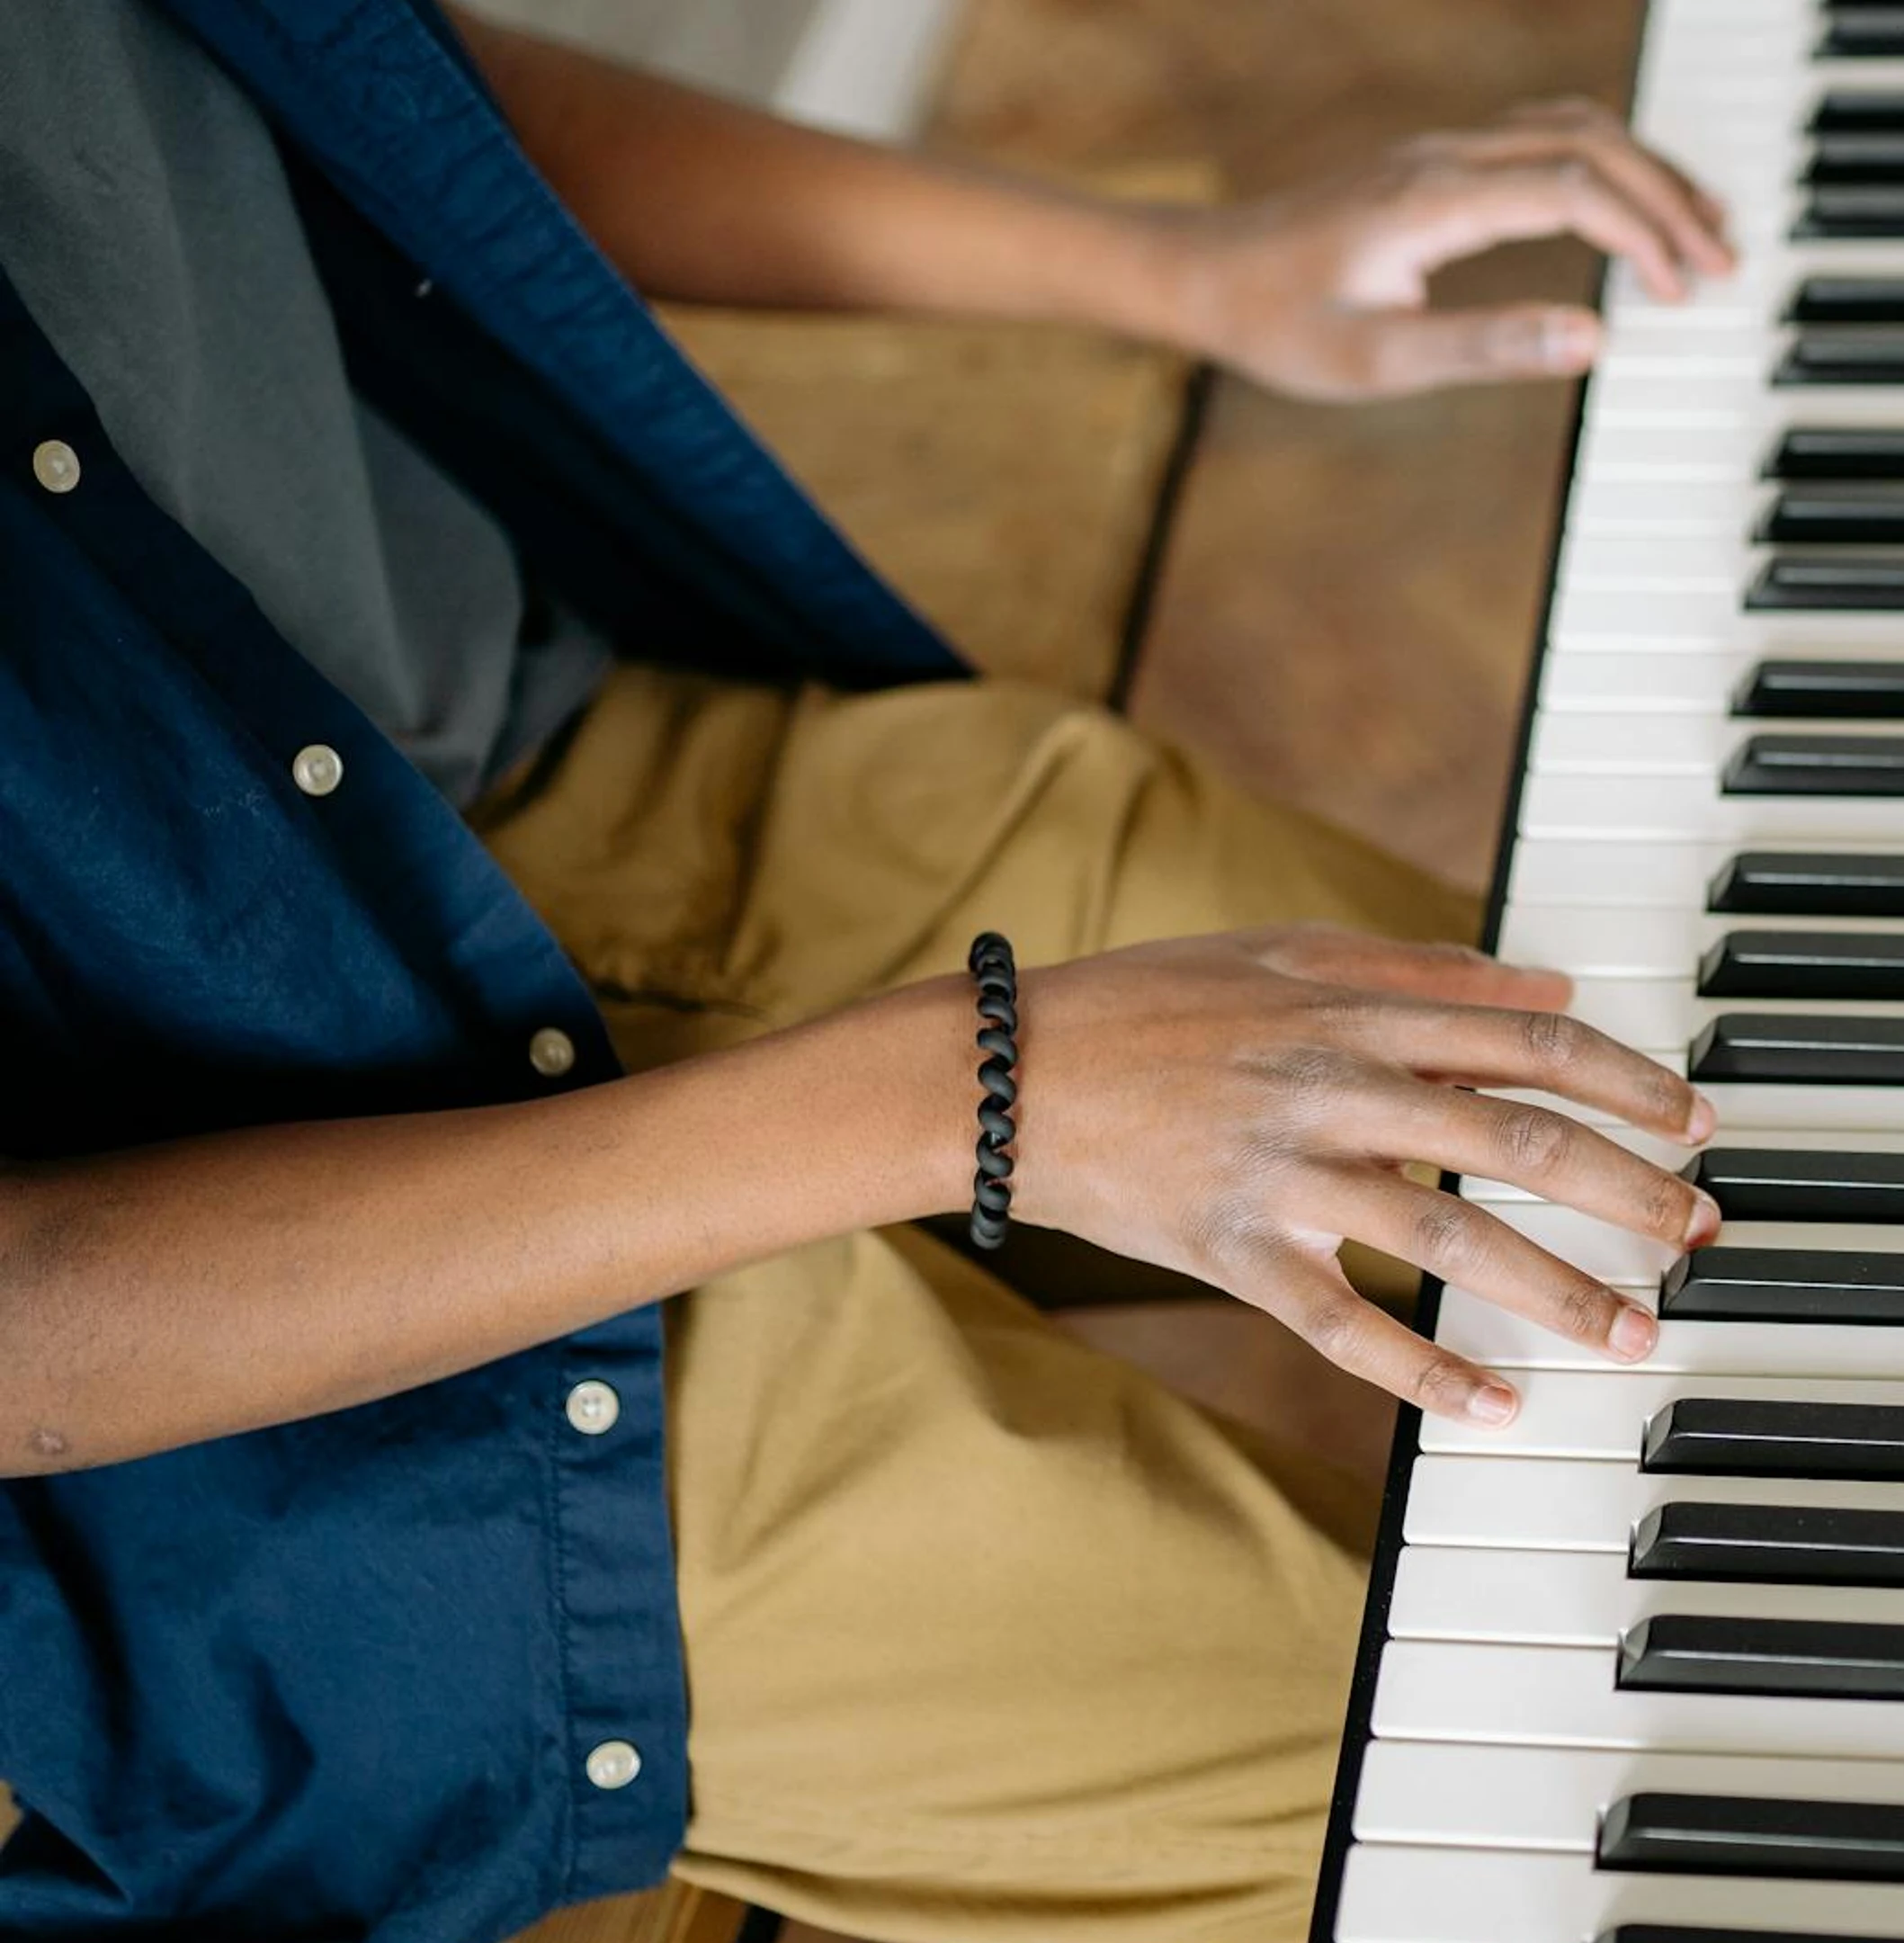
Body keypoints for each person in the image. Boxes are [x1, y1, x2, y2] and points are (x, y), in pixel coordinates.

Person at [0, 3, 1739, 1938]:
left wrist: (1187, 268)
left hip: (547, 792)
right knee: (1585, 1783)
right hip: (282, 1413)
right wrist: (979, 1091)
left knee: (1709, 1153)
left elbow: (353, 93)